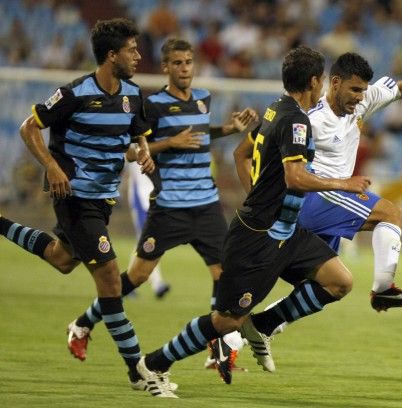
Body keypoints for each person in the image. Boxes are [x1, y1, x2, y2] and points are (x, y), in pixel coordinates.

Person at [134, 45, 372, 397]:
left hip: (286, 231)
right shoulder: (295, 120)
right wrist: (344, 183)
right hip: (257, 238)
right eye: (321, 80)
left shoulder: (276, 109)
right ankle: (152, 364)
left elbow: (243, 154)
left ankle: (263, 323)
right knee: (225, 321)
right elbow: (295, 178)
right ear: (314, 81)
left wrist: (259, 194)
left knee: (339, 281)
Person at [65, 38, 257, 376]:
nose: (184, 68)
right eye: (178, 63)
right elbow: (134, 149)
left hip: (207, 205)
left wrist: (229, 128)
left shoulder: (202, 99)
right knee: (137, 277)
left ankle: (216, 350)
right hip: (170, 208)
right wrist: (169, 143)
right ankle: (82, 323)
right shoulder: (151, 105)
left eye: (189, 62)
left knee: (224, 277)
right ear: (166, 67)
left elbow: (198, 134)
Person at [0, 18, 164, 396]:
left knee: (62, 258)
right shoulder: (73, 94)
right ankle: (138, 371)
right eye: (132, 50)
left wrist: (143, 153)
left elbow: (135, 132)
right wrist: (53, 166)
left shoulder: (134, 96)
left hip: (103, 199)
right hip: (75, 198)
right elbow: (29, 127)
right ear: (111, 56)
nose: (139, 56)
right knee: (109, 279)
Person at [235, 52, 402, 314]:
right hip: (312, 199)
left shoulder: (363, 100)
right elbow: (249, 151)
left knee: (325, 286)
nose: (360, 97)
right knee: (391, 213)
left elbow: (400, 89)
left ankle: (256, 329)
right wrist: (259, 197)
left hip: (329, 203)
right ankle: (384, 289)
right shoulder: (308, 118)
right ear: (335, 82)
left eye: (363, 90)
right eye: (354, 89)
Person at [127, 160, 170, 299]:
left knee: (146, 241)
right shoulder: (135, 143)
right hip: (140, 198)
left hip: (155, 198)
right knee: (147, 240)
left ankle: (127, 284)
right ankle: (157, 284)